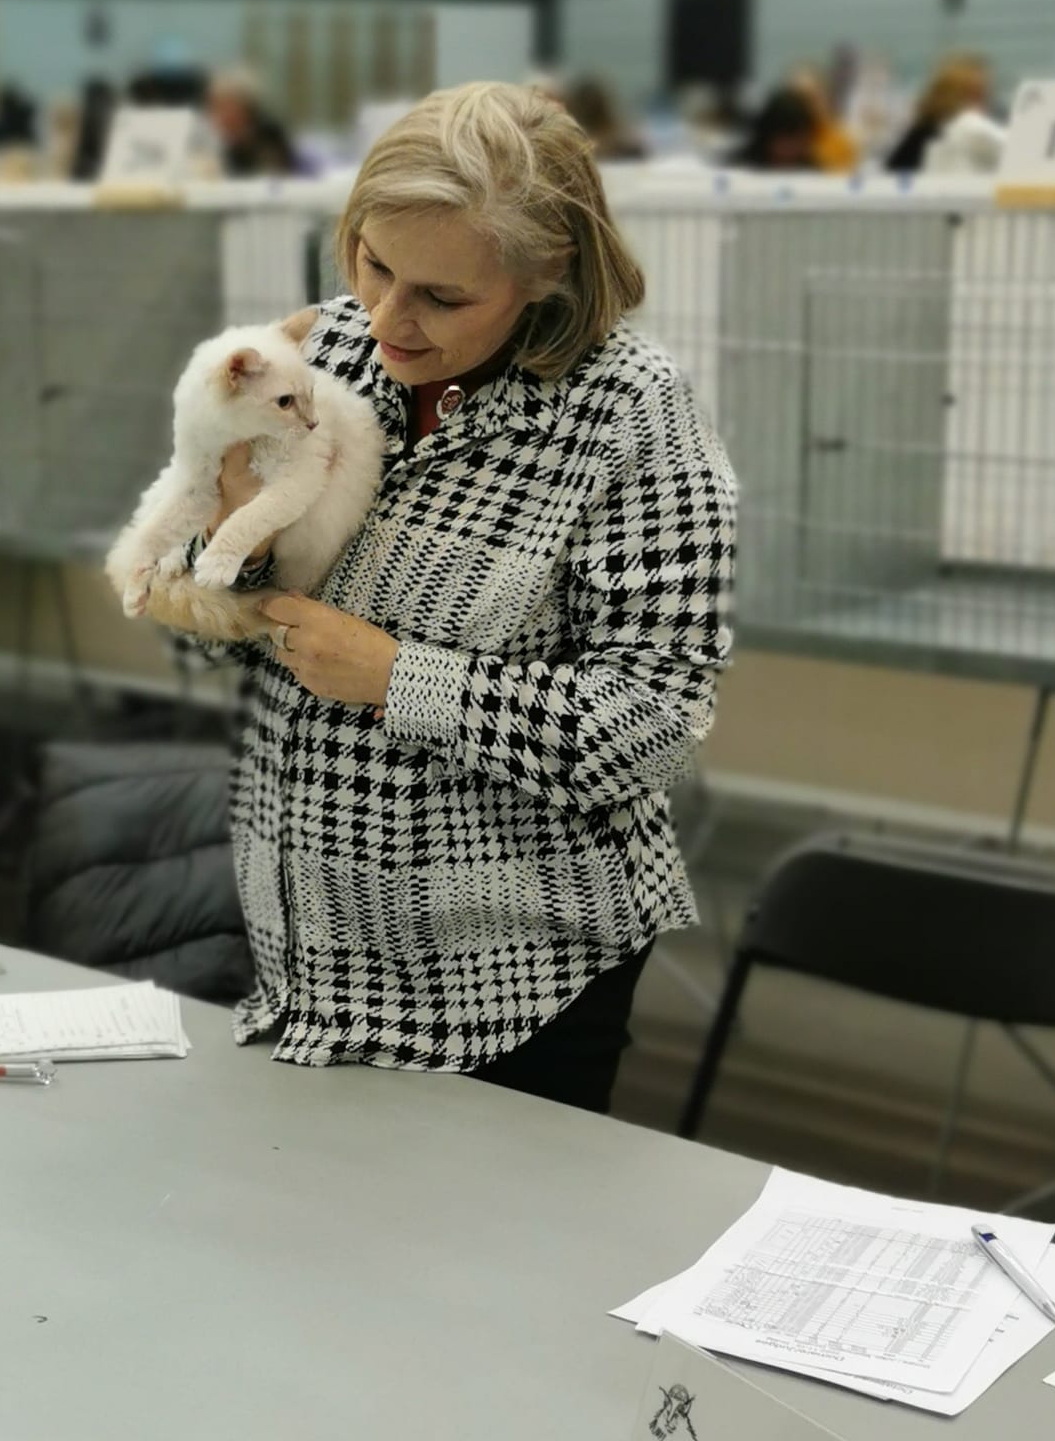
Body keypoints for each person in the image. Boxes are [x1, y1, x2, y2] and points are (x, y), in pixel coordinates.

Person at [202, 81, 734, 1113]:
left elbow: (652, 722)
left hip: (505, 985)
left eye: (442, 298)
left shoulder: (626, 417)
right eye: (371, 261)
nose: (387, 318)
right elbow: (203, 638)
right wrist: (227, 550)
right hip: (307, 956)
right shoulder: (324, 353)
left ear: (544, 279)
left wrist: (401, 679)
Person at [885, 53, 992, 175]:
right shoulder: (923, 137)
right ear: (950, 95)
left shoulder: (980, 134)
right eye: (975, 96)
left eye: (983, 96)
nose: (982, 105)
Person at [206, 65, 298, 180]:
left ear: (245, 106)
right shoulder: (226, 141)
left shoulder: (268, 137)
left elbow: (270, 182)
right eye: (215, 107)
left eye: (224, 106)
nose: (217, 115)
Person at [732, 85, 827, 172]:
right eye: (787, 139)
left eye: (800, 140)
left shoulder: (812, 171)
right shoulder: (739, 168)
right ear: (768, 136)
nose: (793, 148)